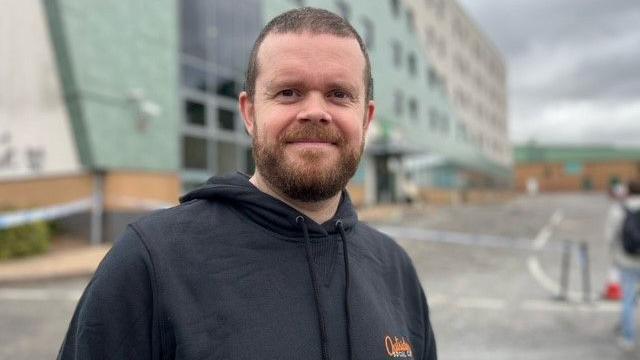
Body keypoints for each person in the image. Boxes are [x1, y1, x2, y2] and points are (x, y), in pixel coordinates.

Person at [58, 7, 437, 360]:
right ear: (250, 113)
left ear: (366, 118)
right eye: (289, 92)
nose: (316, 112)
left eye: (339, 94)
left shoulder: (395, 270)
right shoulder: (151, 263)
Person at [605, 180, 640, 350]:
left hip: (626, 261)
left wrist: (612, 259)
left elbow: (610, 237)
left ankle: (628, 337)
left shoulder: (618, 210)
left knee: (628, 299)